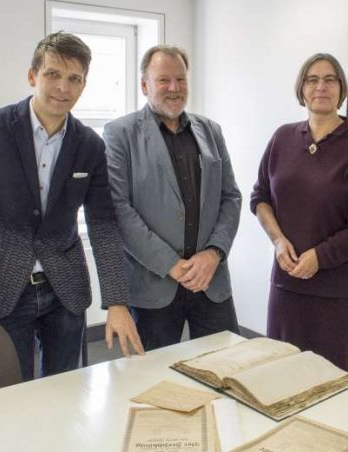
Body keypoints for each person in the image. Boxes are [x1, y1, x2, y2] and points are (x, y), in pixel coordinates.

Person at [0, 32, 144, 381]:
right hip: (1, 286)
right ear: (33, 76)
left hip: (64, 289)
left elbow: (104, 226)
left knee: (67, 389)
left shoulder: (89, 146)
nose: (63, 87)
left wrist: (117, 302)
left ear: (83, 86)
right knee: (9, 391)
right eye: (53, 74)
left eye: (74, 79)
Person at [250, 53, 348, 371]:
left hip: (336, 288)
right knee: (279, 369)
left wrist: (320, 257)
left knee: (324, 377)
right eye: (312, 79)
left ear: (341, 88)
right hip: (287, 280)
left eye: (329, 79)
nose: (320, 86)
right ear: (302, 88)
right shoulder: (282, 138)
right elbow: (260, 197)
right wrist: (278, 241)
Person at [103, 45, 242, 351]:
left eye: (181, 80)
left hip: (211, 281)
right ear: (144, 85)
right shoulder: (119, 134)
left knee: (226, 370)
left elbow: (230, 197)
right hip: (154, 284)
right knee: (151, 381)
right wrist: (170, 264)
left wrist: (214, 253)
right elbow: (119, 209)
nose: (174, 88)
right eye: (164, 80)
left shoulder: (211, 131)